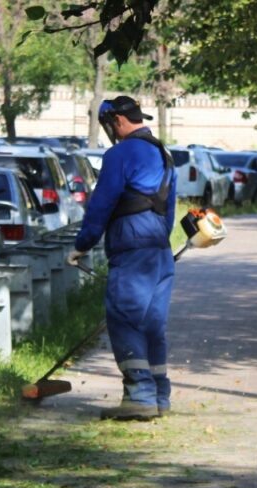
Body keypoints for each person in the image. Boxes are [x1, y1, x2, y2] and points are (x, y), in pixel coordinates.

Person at [67, 95, 177, 421]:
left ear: (117, 121)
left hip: (132, 250)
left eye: (109, 126)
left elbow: (102, 202)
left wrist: (83, 244)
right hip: (160, 251)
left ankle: (140, 397)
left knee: (125, 319)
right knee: (152, 325)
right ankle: (159, 395)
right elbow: (168, 211)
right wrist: (158, 243)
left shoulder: (119, 154)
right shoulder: (164, 154)